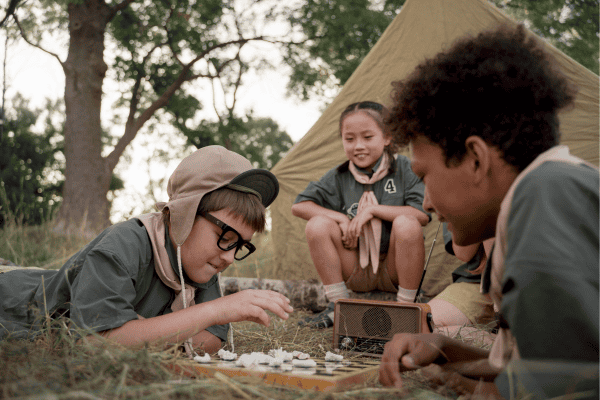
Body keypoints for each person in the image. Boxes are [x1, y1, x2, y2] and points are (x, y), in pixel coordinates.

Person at [378, 24, 599, 399]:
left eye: (424, 176)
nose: (426, 203)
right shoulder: (535, 199)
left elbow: (572, 383)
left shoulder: (547, 193)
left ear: (476, 160)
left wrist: (476, 391)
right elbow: (533, 365)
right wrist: (445, 349)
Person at [0, 145, 294, 356]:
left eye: (239, 245)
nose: (229, 257)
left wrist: (143, 333)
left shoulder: (201, 263)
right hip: (10, 299)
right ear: (185, 214)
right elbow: (95, 344)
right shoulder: (122, 246)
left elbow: (213, 339)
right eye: (225, 236)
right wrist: (212, 311)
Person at [291, 101, 430, 329]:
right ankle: (338, 307)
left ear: (387, 138)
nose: (358, 146)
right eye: (349, 139)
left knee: (407, 223)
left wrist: (373, 211)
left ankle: (406, 308)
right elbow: (300, 205)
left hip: (395, 269)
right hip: (356, 267)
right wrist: (341, 219)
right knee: (317, 224)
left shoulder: (404, 167)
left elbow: (421, 214)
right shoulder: (340, 174)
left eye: (367, 137)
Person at [428, 225, 495, 343]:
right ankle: (492, 340)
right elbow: (464, 254)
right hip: (479, 282)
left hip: (527, 284)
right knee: (424, 326)